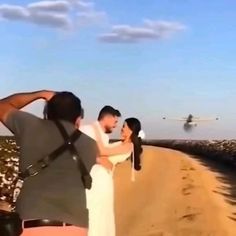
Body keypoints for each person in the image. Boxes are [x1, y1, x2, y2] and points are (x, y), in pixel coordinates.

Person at [0, 90, 108, 236]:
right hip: (76, 228)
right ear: (78, 119)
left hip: (32, 226)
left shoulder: (31, 126)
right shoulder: (90, 145)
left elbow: (3, 105)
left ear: (47, 113)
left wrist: (40, 94)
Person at [80, 106, 143, 236]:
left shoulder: (129, 146)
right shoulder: (120, 143)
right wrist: (99, 159)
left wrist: (96, 128)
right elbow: (101, 155)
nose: (121, 128)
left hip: (102, 180)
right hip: (97, 175)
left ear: (131, 130)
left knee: (97, 212)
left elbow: (103, 151)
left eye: (124, 126)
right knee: (92, 210)